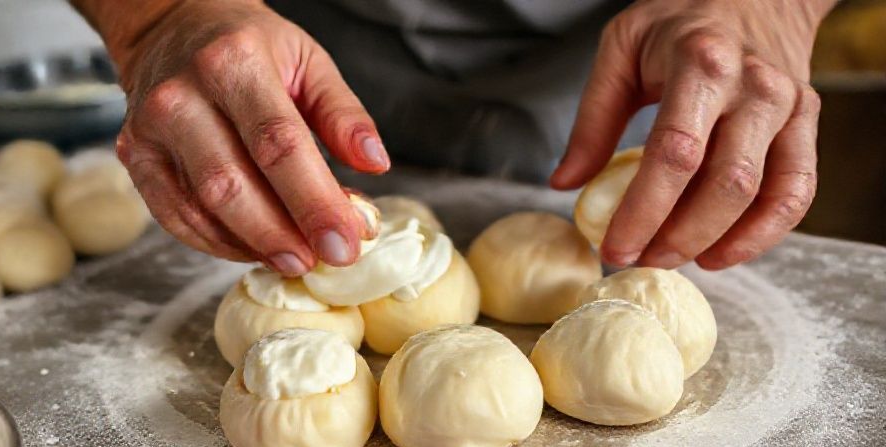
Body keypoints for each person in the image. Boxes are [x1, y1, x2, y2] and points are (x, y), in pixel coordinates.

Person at [71, 0, 834, 275]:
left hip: (643, 60)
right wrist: (157, 17)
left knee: (641, 224)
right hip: (299, 46)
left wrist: (775, 6)